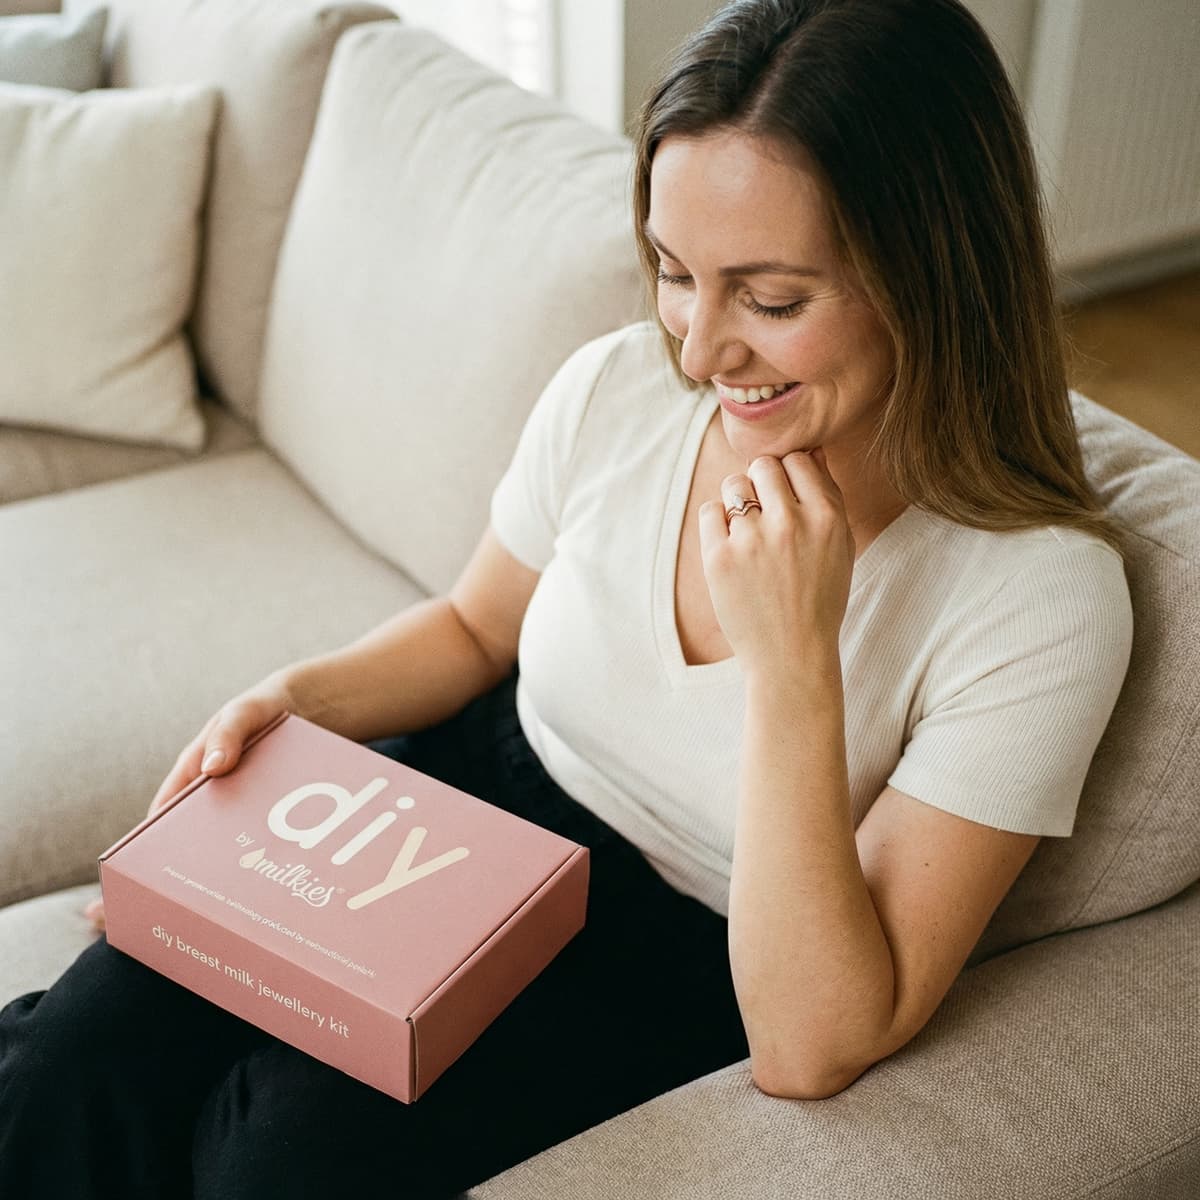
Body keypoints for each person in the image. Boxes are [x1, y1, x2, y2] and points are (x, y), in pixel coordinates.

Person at [0, 0, 1132, 1195]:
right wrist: (295, 700)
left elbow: (812, 1046)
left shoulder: (1041, 599)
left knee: (277, 1161)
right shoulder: (619, 390)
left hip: (667, 947)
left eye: (771, 301)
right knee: (64, 1064)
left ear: (935, 274)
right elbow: (473, 628)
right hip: (459, 804)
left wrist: (797, 665)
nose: (698, 353)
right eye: (676, 274)